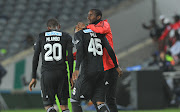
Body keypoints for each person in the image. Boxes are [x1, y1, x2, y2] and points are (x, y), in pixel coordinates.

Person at [77, 9, 123, 112]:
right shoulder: (90, 32)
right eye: (88, 15)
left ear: (98, 17)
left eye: (91, 15)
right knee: (97, 99)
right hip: (99, 69)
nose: (88, 17)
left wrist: (85, 28)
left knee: (109, 99)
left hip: (110, 67)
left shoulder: (104, 24)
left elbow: (101, 31)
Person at [28, 18, 73, 112]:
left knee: (48, 106)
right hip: (62, 73)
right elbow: (70, 57)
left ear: (48, 28)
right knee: (64, 106)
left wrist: (33, 77)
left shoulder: (41, 36)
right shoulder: (66, 36)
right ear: (59, 27)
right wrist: (72, 75)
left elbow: (35, 57)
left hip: (47, 74)